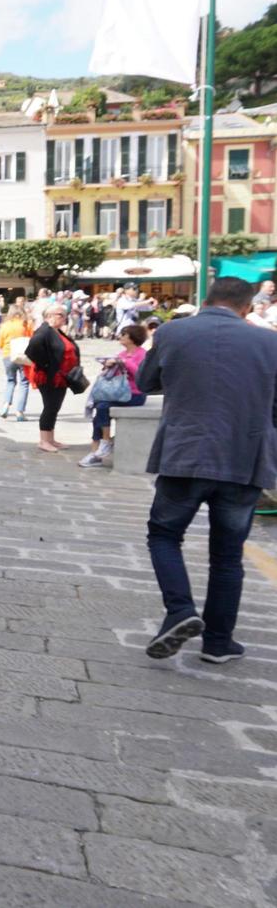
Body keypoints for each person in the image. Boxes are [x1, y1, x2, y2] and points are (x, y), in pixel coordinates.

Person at [137, 277, 277, 665]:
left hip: (185, 453)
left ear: (205, 300)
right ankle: (218, 642)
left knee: (164, 535)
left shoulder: (173, 332)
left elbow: (145, 382)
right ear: (248, 306)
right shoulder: (270, 342)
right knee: (228, 555)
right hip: (244, 459)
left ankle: (180, 609)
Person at [80, 323, 149, 468]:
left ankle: (104, 443)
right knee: (99, 408)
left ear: (132, 337)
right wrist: (108, 365)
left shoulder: (142, 354)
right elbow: (115, 376)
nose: (121, 336)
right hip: (118, 393)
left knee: (103, 407)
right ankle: (97, 449)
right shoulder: (121, 354)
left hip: (134, 395)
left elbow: (139, 374)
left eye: (124, 334)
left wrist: (123, 363)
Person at [25, 303, 80, 453]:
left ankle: (50, 438)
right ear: (49, 316)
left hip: (61, 377)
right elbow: (32, 349)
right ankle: (44, 440)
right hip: (49, 377)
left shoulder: (56, 331)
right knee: (50, 407)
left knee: (55, 407)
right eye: (60, 315)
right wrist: (47, 364)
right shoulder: (44, 331)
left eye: (64, 315)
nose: (64, 318)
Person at [0, 304, 33, 420]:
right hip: (23, 355)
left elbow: (0, 344)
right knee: (24, 382)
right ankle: (20, 411)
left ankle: (6, 404)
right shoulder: (26, 324)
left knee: (10, 381)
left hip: (8, 355)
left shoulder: (5, 325)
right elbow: (31, 339)